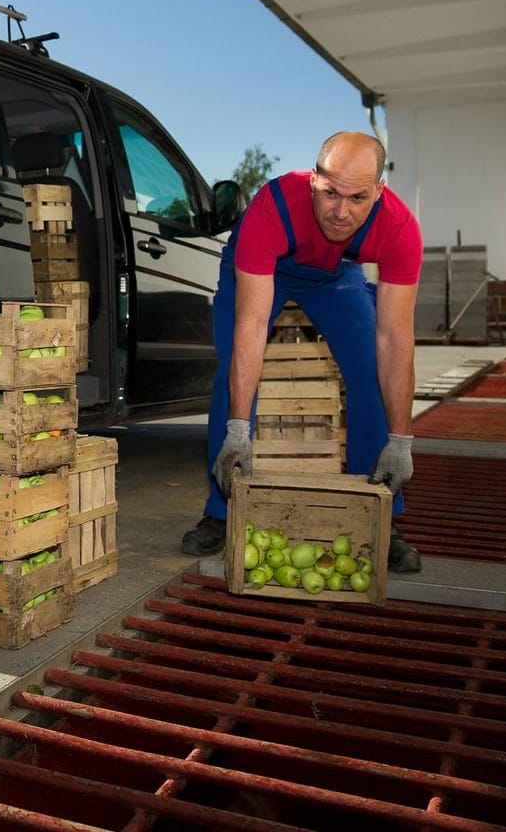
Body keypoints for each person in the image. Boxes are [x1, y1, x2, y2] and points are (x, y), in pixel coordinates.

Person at [180, 131, 424, 574]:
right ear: (312, 180)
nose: (341, 211)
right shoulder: (273, 208)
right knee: (231, 373)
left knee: (370, 369)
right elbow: (251, 328)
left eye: (357, 198)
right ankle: (221, 510)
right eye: (330, 192)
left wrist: (402, 439)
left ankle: (385, 516)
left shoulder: (400, 228)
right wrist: (239, 431)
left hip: (335, 276)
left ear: (379, 192)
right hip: (263, 266)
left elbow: (396, 340)